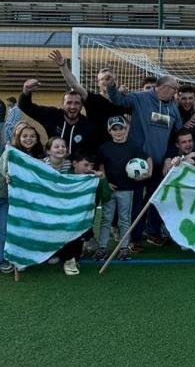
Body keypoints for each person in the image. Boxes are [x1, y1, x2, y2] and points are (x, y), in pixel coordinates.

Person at [107, 74, 182, 245]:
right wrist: (112, 86)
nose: (175, 92)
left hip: (159, 164)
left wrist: (169, 157)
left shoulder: (173, 108)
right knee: (136, 202)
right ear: (163, 87)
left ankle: (153, 232)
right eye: (174, 89)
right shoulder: (140, 98)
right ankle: (134, 238)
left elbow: (176, 136)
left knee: (156, 200)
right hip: (138, 163)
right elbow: (118, 100)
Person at [94, 116, 152, 262]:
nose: (118, 132)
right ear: (109, 131)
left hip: (127, 190)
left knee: (125, 219)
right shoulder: (104, 147)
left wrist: (148, 172)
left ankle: (124, 248)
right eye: (115, 129)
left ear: (126, 129)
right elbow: (100, 166)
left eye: (121, 128)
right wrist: (105, 183)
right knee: (106, 219)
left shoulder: (133, 146)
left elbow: (148, 158)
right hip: (109, 190)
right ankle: (102, 248)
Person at [0, 124, 45, 273]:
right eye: (24, 136)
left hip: (22, 199)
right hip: (4, 197)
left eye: (32, 136)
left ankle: (20, 257)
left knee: (21, 228)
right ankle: (3, 259)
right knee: (5, 228)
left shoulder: (37, 155)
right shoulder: (11, 152)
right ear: (18, 138)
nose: (28, 139)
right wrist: (8, 176)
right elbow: (4, 171)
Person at [19, 79, 97, 155]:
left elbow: (92, 152)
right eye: (69, 103)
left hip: (75, 166)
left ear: (81, 106)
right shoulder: (52, 115)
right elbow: (26, 107)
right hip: (51, 164)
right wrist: (26, 91)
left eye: (77, 103)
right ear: (62, 105)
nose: (73, 107)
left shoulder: (88, 125)